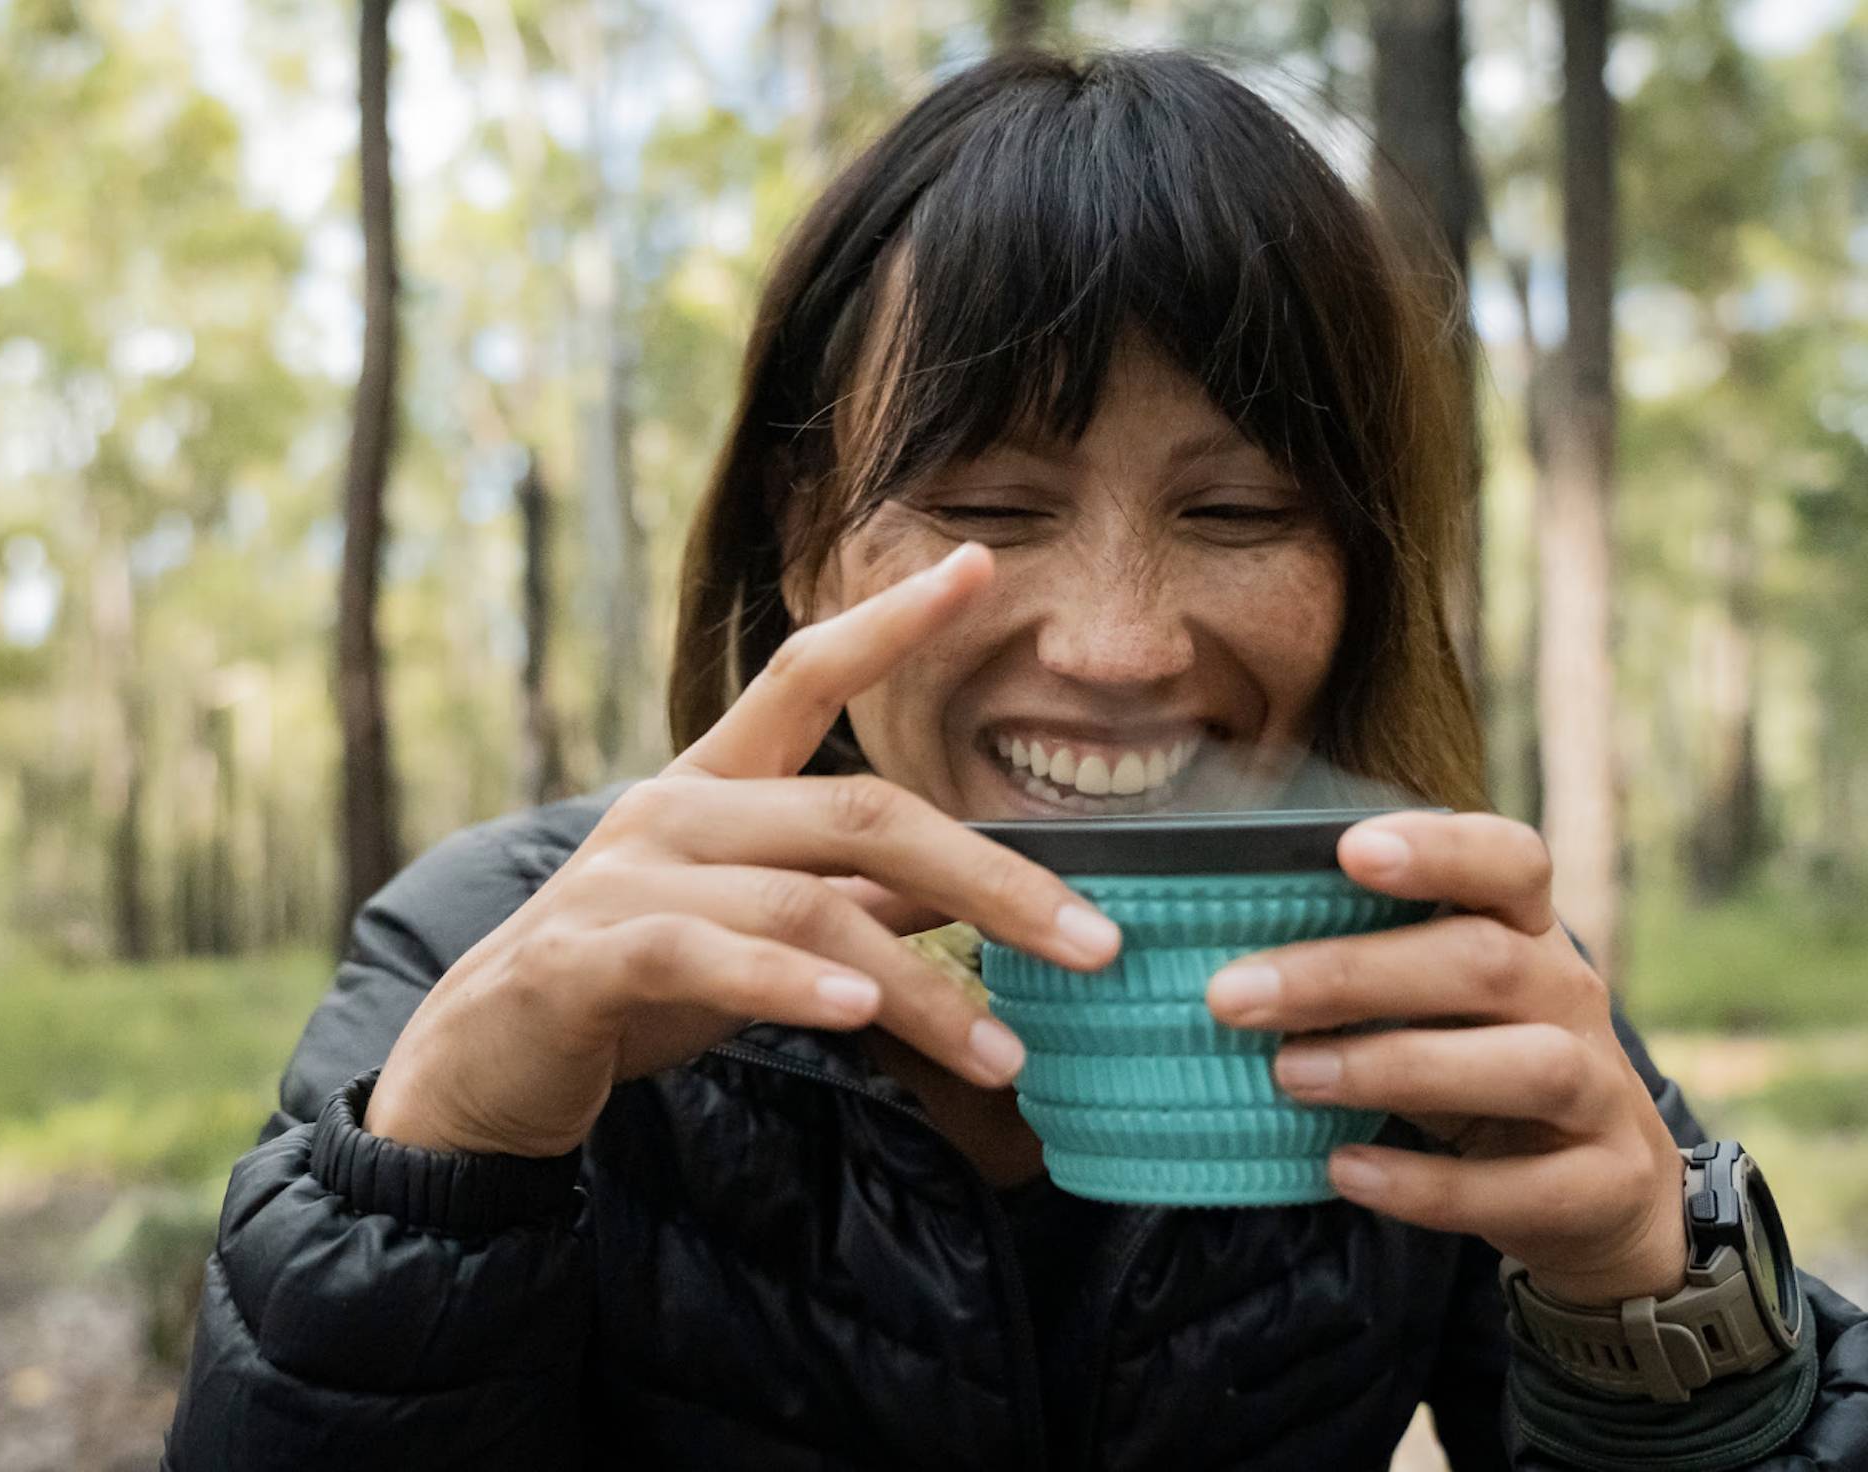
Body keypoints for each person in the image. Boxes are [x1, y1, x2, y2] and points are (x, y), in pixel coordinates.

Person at [163, 49, 1867, 1469]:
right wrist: (438, 1168)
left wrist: (1657, 1303)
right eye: (986, 508)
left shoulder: (1442, 983)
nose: (1118, 642)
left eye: (1240, 510)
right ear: (801, 547)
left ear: (1358, 573)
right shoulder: (499, 948)